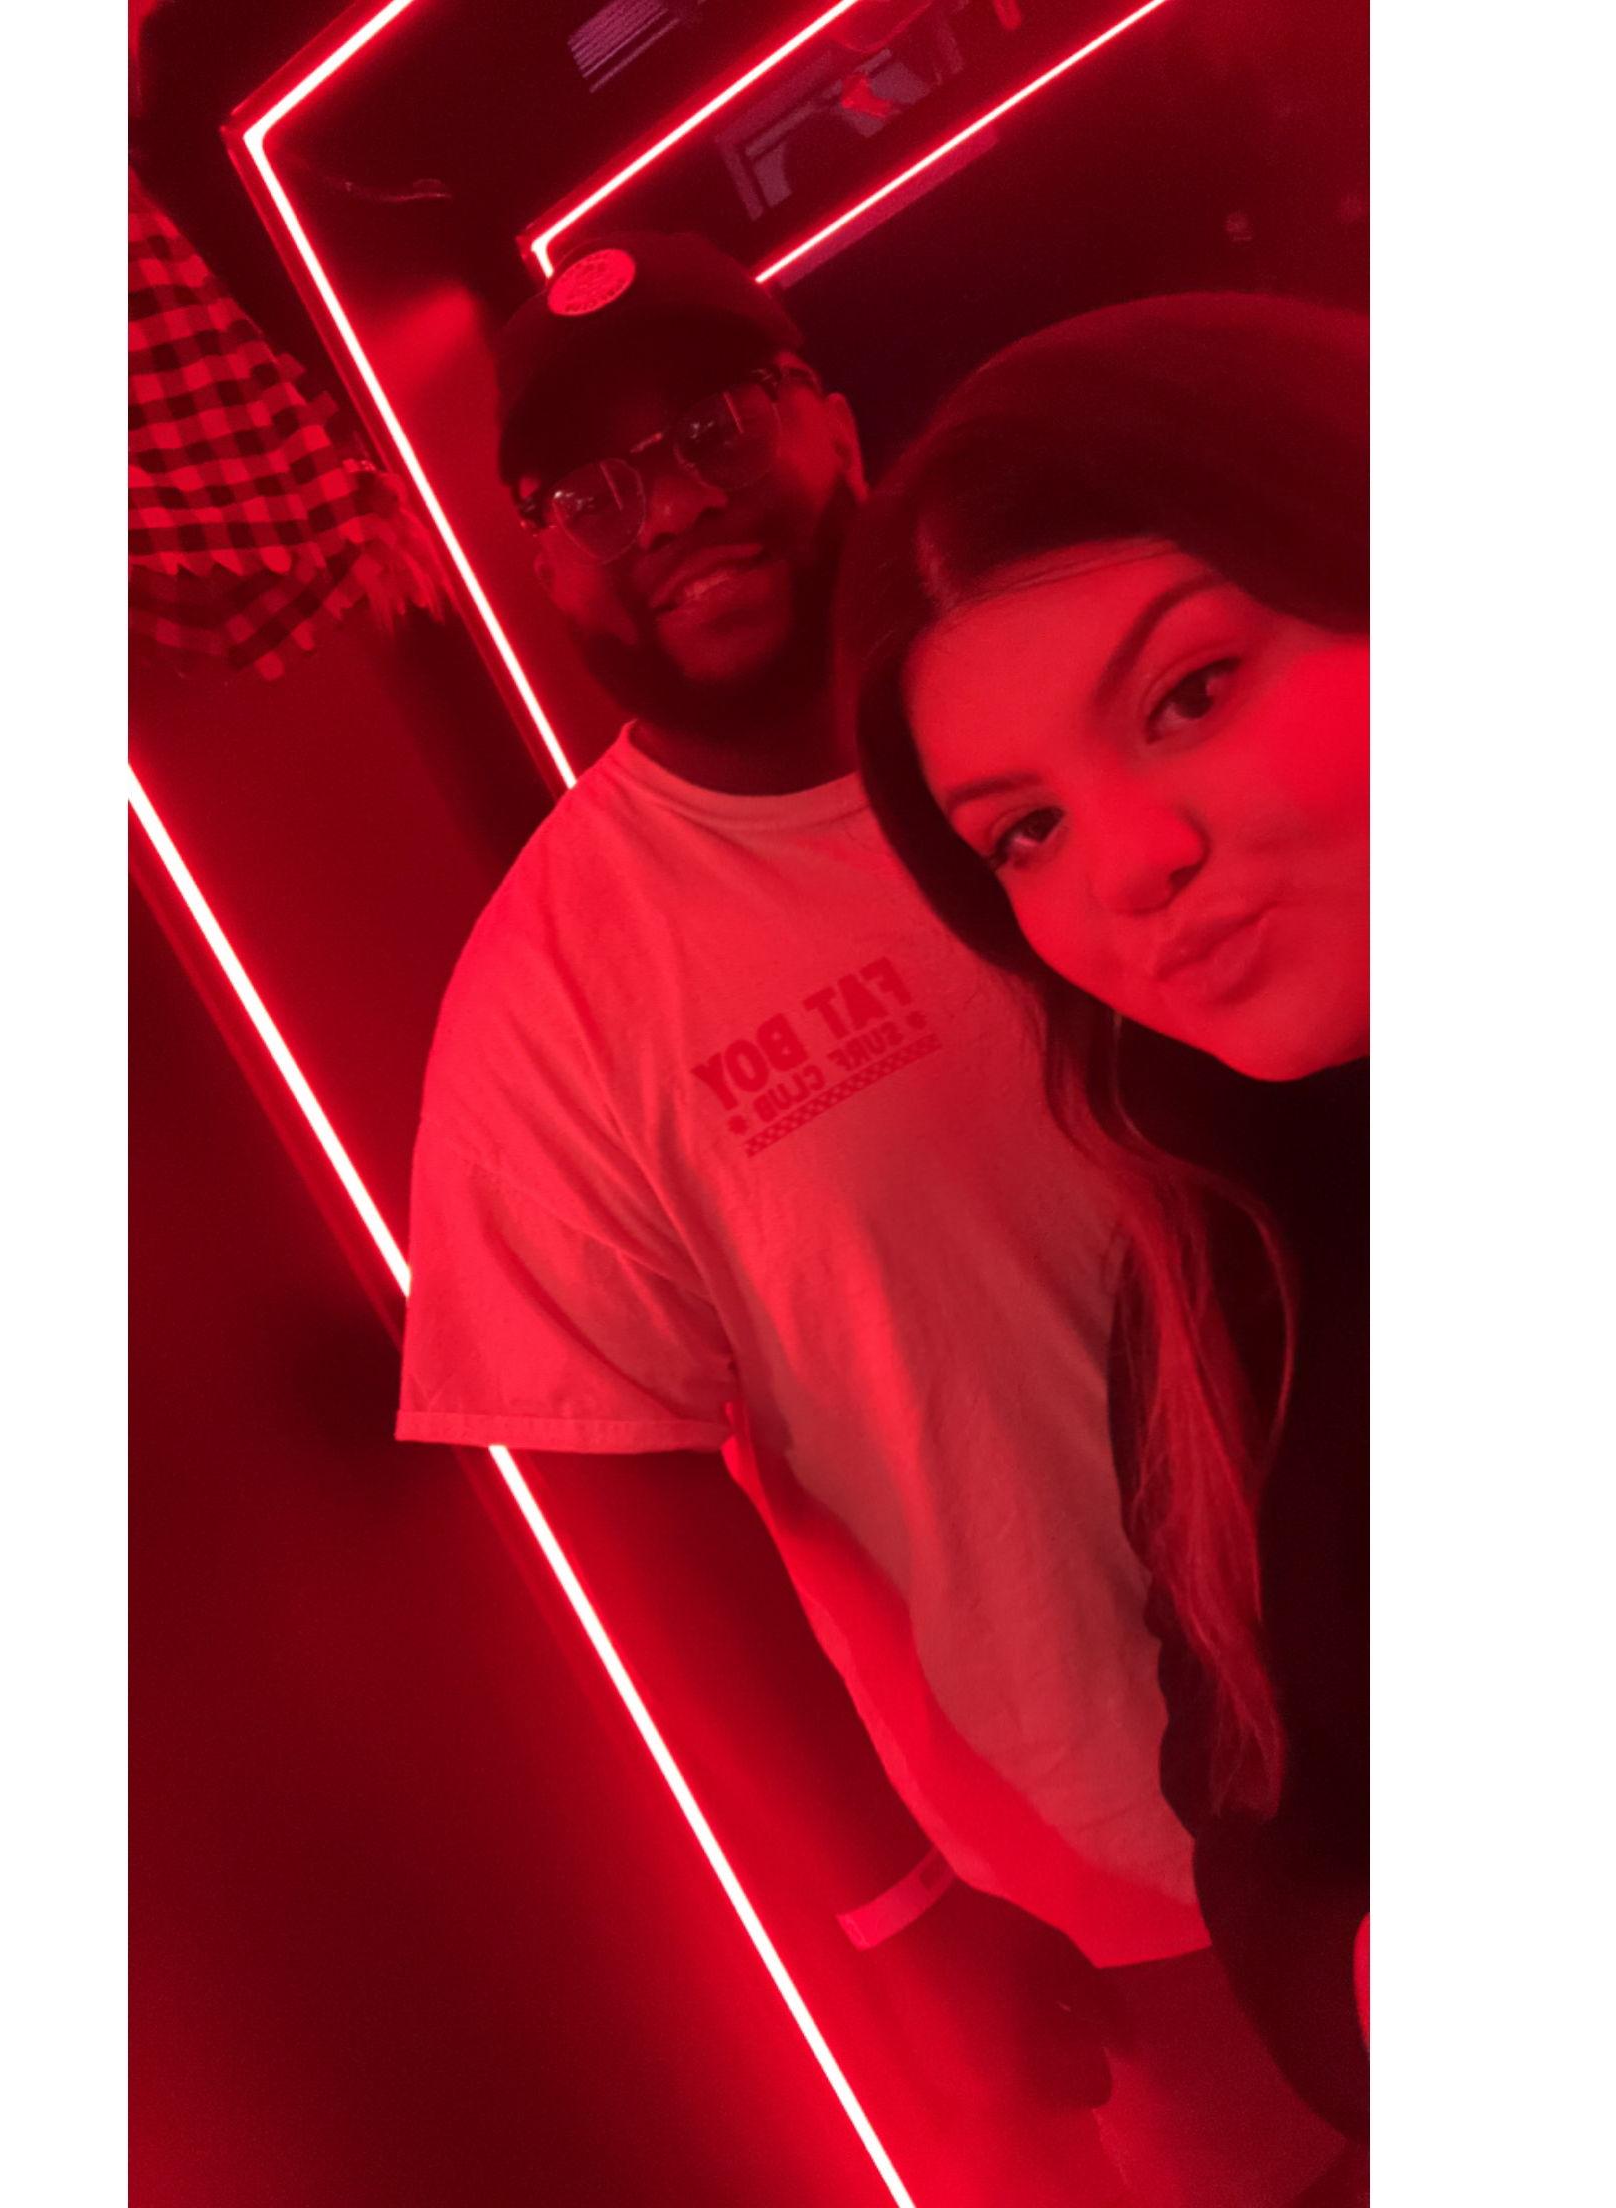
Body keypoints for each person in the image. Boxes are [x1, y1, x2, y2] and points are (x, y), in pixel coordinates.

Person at [394, 234, 1345, 2203]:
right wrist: (891, 1904)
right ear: (540, 563)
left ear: (830, 419)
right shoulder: (556, 993)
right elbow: (609, 1485)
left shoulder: (1097, 720)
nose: (671, 509)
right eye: (589, 490)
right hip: (1126, 1872)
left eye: (710, 427)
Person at [837, 291, 1371, 2171]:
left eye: (1192, 694)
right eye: (1026, 834)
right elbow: (1248, 1809)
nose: (1134, 864)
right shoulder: (1219, 1261)